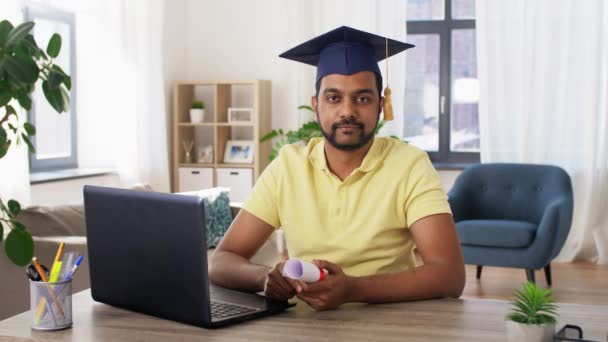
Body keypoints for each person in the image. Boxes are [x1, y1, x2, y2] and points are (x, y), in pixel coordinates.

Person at [209, 26, 465, 311]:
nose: (347, 111)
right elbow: (222, 260)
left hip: (390, 322)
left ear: (381, 106)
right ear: (316, 105)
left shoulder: (409, 165)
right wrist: (264, 277)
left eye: (363, 98)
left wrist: (353, 289)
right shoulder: (288, 167)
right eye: (333, 98)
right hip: (306, 326)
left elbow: (449, 275)